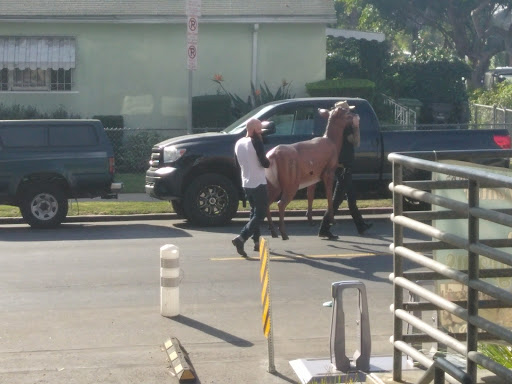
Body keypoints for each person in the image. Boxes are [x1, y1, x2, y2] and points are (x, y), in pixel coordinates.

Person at [318, 100, 372, 240]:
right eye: (348, 112)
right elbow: (356, 142)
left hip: (342, 165)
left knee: (351, 198)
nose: (350, 114)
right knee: (337, 200)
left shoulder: (335, 125)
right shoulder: (346, 127)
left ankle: (361, 225)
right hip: (344, 166)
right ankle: (324, 228)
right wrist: (356, 127)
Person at [232, 118, 271, 257]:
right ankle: (241, 238)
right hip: (258, 182)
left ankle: (256, 242)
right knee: (260, 214)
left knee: (254, 212)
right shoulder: (256, 142)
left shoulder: (239, 143)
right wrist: (270, 161)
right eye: (259, 129)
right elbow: (264, 163)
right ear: (254, 129)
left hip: (246, 182)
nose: (261, 132)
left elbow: (237, 165)